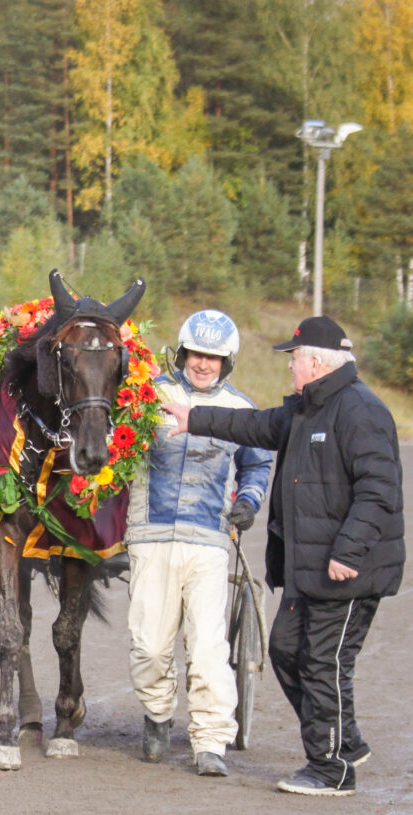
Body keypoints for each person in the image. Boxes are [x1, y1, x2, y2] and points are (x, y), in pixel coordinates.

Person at [163, 315, 404, 796]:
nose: (289, 367)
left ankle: (331, 769)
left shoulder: (360, 410)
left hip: (347, 568)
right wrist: (194, 417)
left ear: (315, 362)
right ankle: (346, 740)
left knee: (322, 662)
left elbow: (379, 492)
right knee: (287, 651)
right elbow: (252, 424)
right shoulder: (304, 409)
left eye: (293, 359)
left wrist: (348, 551)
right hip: (306, 568)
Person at [126, 310, 273, 777]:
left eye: (213, 357)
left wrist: (248, 502)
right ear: (182, 353)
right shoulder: (149, 398)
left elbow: (257, 466)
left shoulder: (241, 409)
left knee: (208, 646)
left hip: (209, 540)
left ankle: (210, 741)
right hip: (150, 534)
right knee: (150, 645)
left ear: (226, 362)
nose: (203, 364)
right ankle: (158, 714)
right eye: (196, 354)